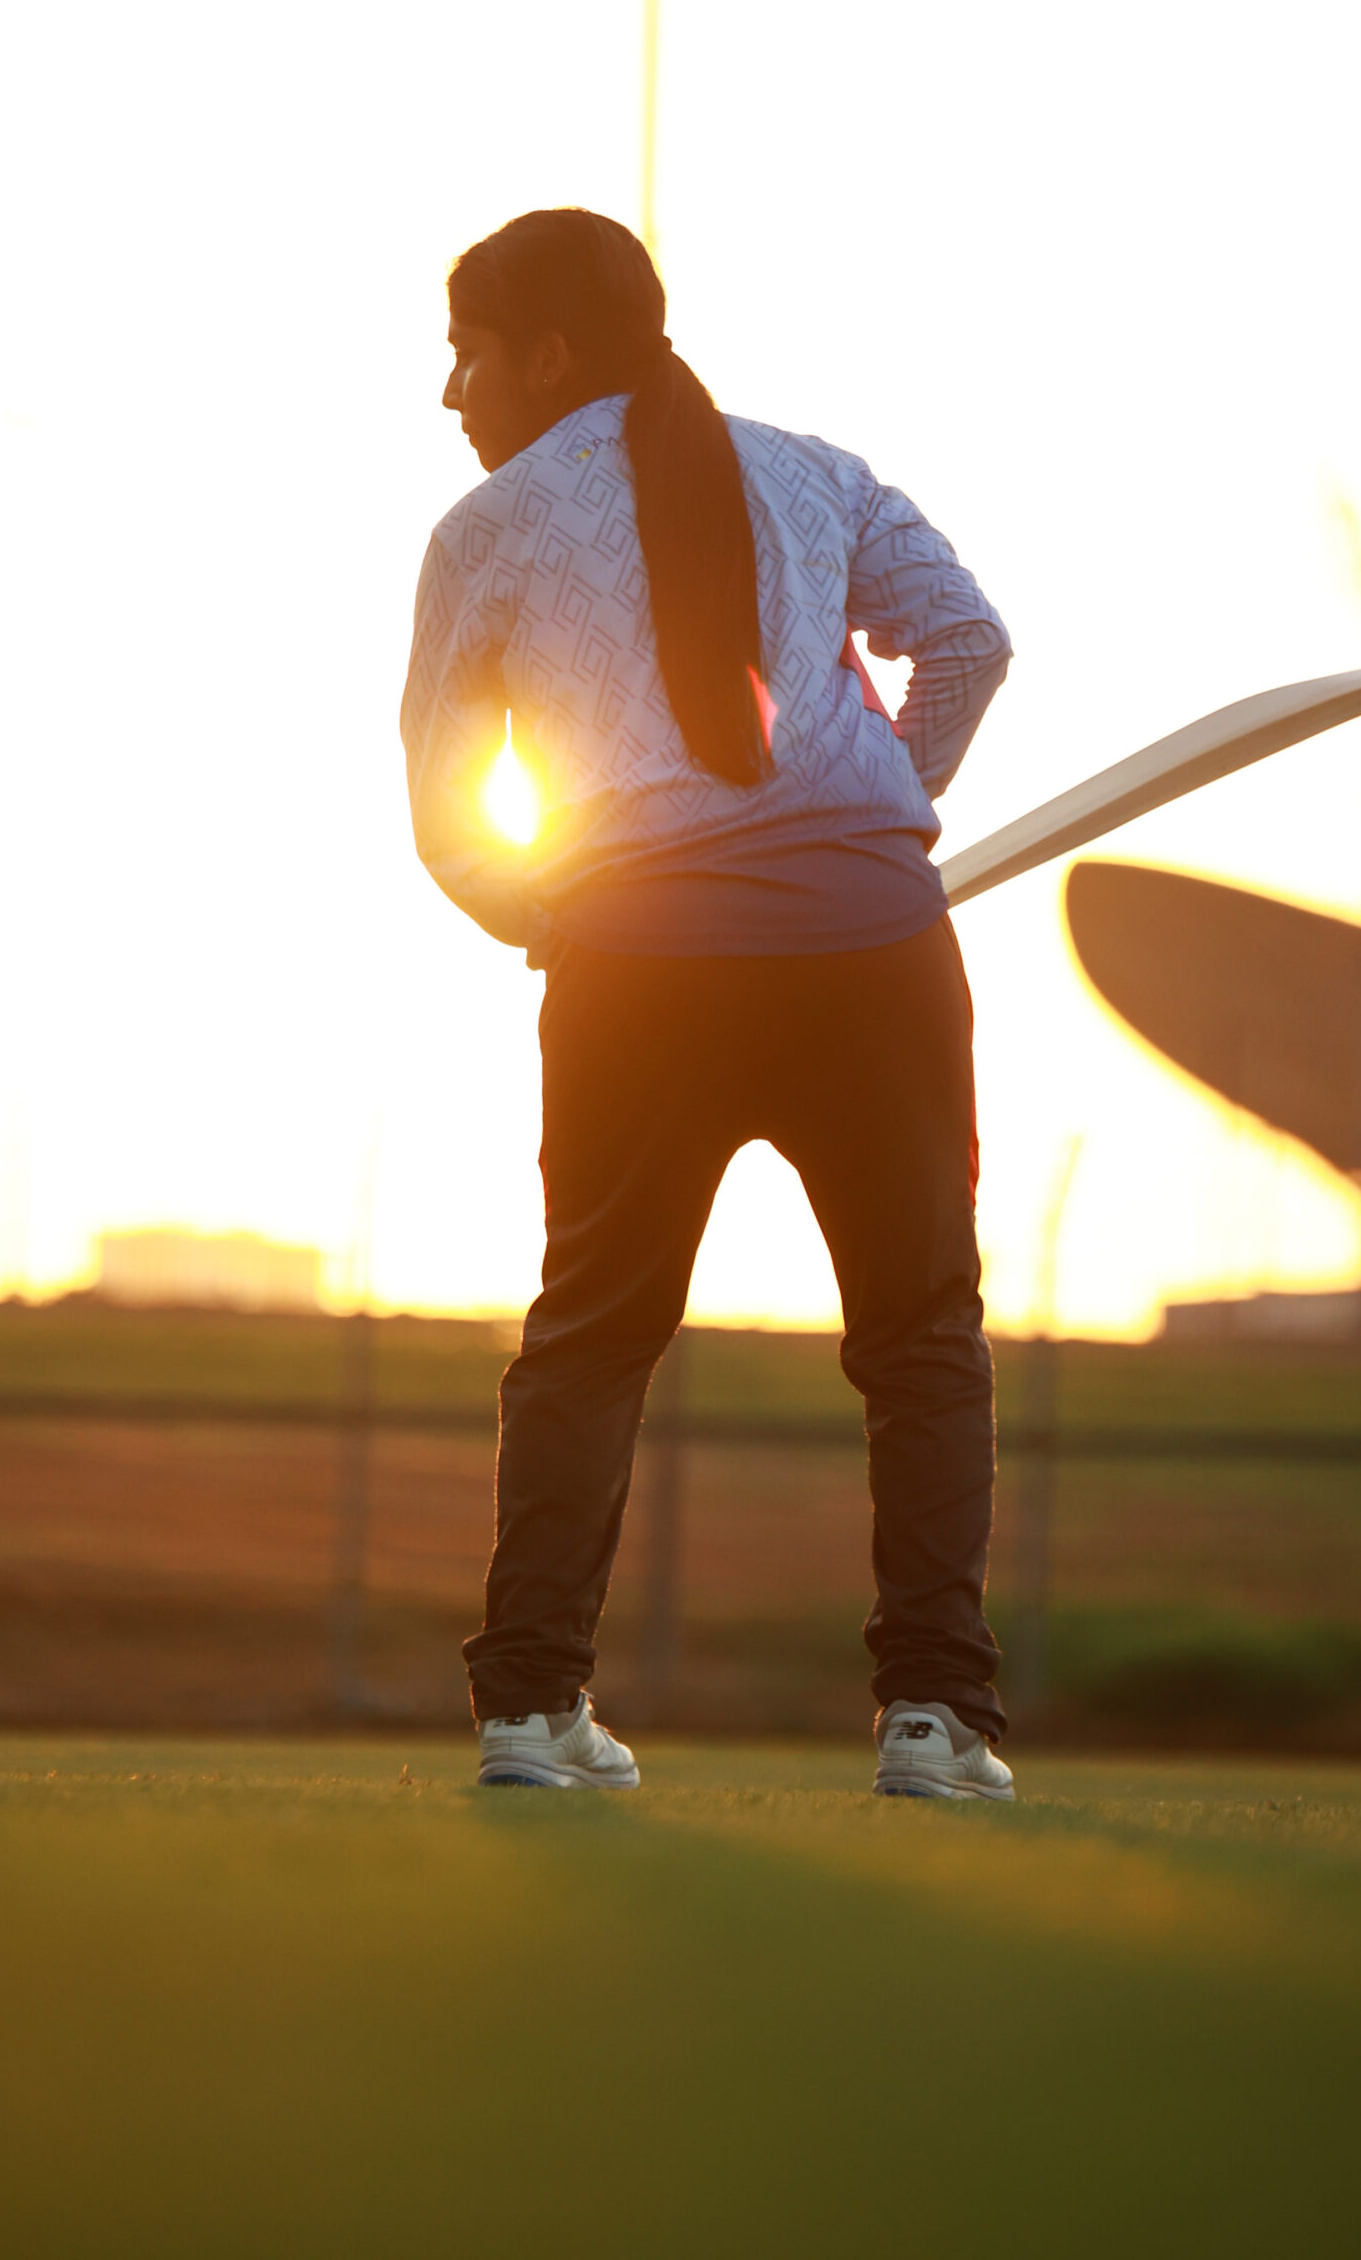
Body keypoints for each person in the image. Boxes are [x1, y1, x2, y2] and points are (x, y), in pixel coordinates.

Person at [400, 208, 1015, 1800]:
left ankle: (531, 1714)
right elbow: (965, 640)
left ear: (544, 352)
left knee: (590, 1336)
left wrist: (543, 913)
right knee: (921, 1337)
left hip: (632, 970)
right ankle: (935, 1725)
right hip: (870, 953)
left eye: (465, 350)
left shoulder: (486, 531)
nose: (449, 389)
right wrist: (887, 813)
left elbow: (450, 811)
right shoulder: (819, 472)